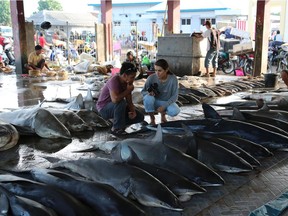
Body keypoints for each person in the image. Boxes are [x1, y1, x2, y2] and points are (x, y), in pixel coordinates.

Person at [96, 62, 145, 136]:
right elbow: (115, 100)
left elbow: (129, 100)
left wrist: (133, 111)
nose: (133, 79)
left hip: (116, 108)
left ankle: (117, 121)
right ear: (125, 75)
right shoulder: (114, 81)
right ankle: (117, 129)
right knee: (121, 102)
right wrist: (128, 90)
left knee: (139, 117)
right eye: (132, 77)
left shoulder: (127, 82)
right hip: (104, 109)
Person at [141, 59, 180, 125]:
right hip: (155, 101)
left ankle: (163, 116)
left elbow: (175, 96)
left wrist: (164, 106)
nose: (157, 73)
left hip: (166, 102)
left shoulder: (173, 79)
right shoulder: (151, 78)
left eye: (160, 71)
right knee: (148, 98)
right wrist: (149, 93)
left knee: (174, 111)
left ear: (166, 70)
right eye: (155, 70)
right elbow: (143, 92)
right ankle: (152, 119)